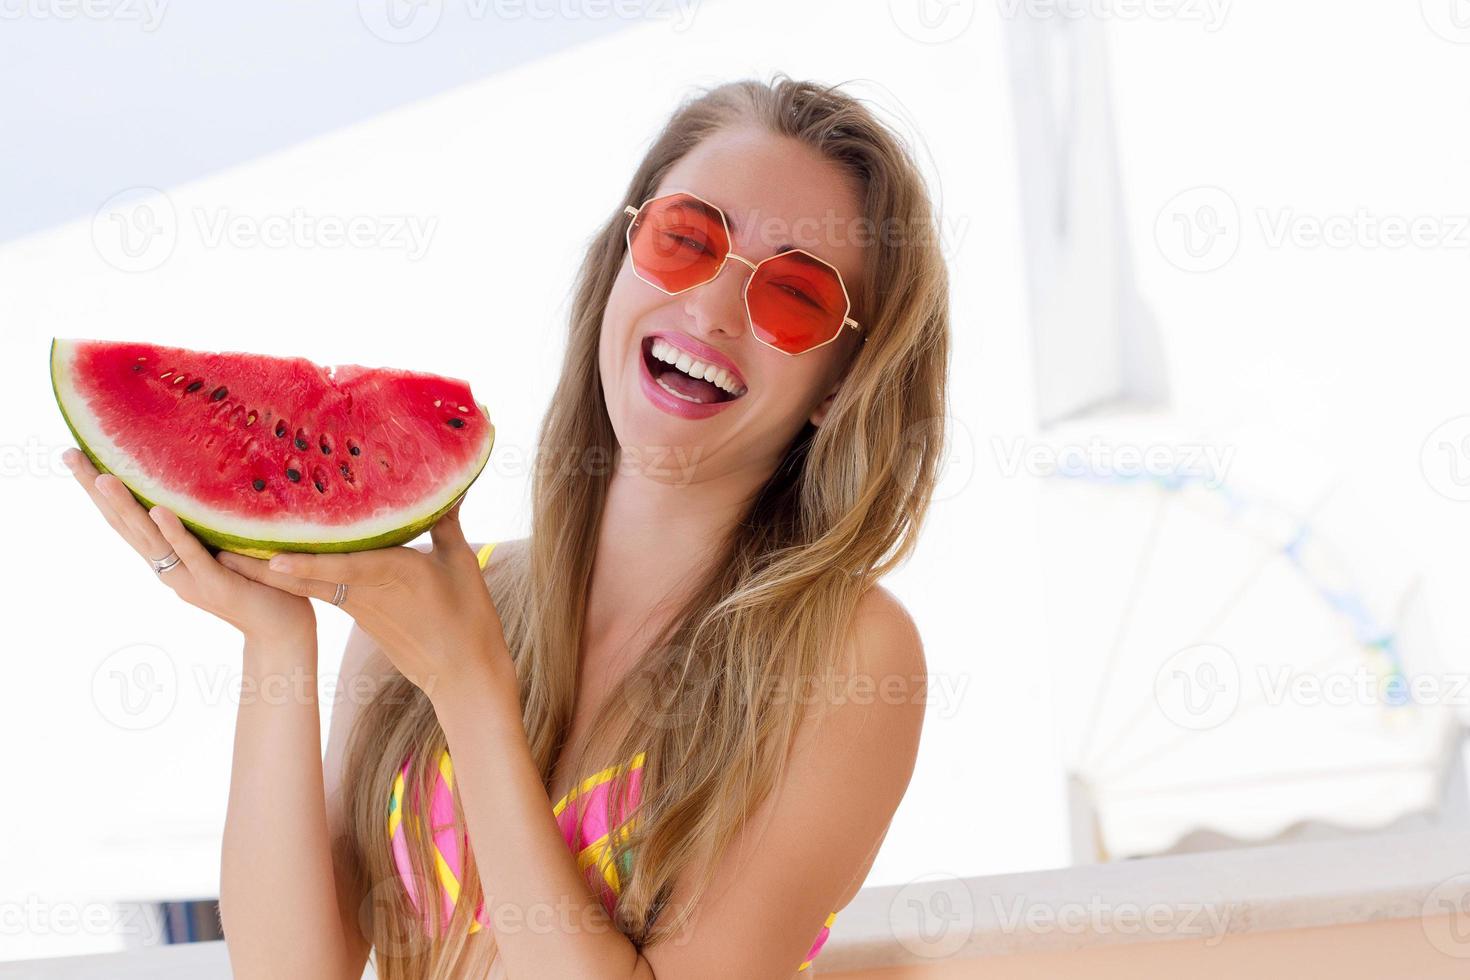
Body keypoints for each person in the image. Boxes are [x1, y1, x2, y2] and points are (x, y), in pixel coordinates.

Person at [65, 73, 952, 979]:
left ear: (842, 382)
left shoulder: (850, 656)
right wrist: (277, 642)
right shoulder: (447, 602)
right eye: (686, 240)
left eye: (794, 297)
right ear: (621, 259)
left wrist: (468, 685)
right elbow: (293, 971)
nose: (713, 311)